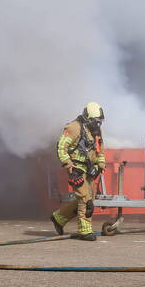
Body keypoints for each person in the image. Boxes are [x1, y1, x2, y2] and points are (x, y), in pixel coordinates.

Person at [50, 101, 106, 241]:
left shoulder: (95, 130)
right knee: (86, 201)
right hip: (77, 168)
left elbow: (100, 149)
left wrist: (100, 165)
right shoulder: (74, 128)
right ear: (88, 118)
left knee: (87, 198)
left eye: (99, 122)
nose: (98, 125)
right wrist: (70, 167)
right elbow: (60, 147)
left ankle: (59, 218)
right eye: (95, 121)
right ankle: (85, 231)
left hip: (90, 169)